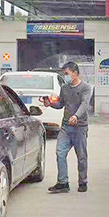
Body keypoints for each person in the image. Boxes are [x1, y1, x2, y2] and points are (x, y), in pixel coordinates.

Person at [41, 61, 93, 193]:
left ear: (75, 73)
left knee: (81, 155)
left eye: (67, 73)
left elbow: (84, 104)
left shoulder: (86, 87)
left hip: (80, 126)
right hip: (66, 126)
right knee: (60, 152)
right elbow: (61, 103)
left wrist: (76, 116)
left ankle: (83, 181)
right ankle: (63, 182)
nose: (66, 76)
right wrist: (50, 103)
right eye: (65, 74)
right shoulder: (64, 88)